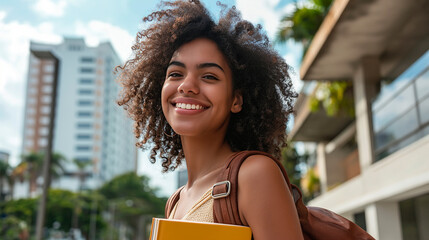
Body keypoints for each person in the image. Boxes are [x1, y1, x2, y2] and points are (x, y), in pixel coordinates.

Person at [116, 0, 304, 239]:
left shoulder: (254, 175)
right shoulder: (176, 200)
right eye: (175, 73)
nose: (187, 86)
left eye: (209, 76)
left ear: (236, 100)